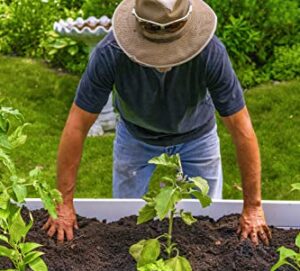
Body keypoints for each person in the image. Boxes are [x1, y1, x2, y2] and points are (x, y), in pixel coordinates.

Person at [43, 0, 272, 246]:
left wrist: (253, 207)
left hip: (197, 136)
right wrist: (64, 204)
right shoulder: (111, 52)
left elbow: (241, 129)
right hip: (135, 137)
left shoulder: (210, 53)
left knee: (206, 222)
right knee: (126, 223)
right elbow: (77, 126)